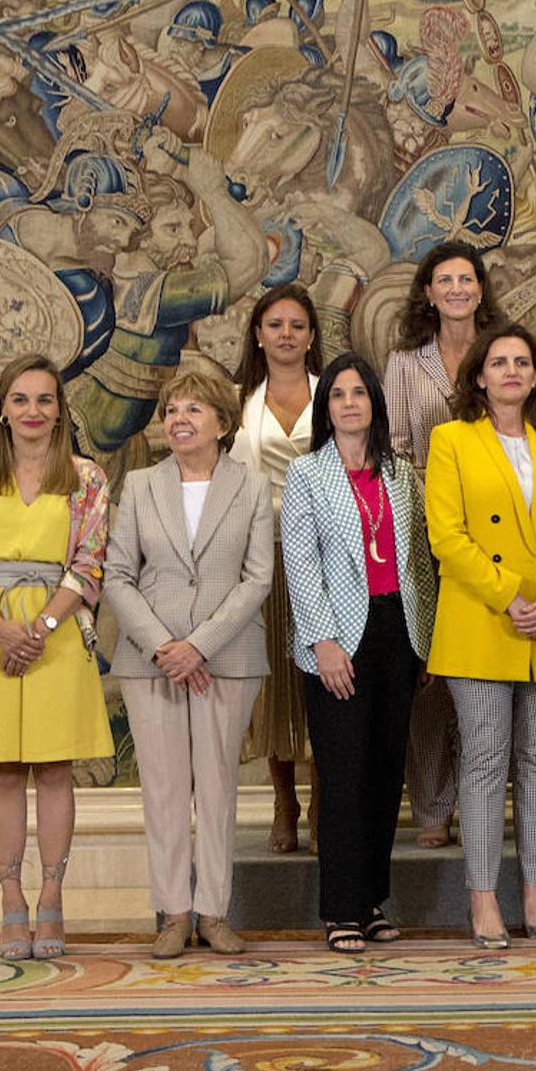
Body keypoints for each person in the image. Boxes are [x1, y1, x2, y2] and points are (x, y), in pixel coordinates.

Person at [0, 354, 112, 961]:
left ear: (60, 410)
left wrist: (38, 628)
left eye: (45, 400)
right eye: (21, 400)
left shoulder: (87, 479)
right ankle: (11, 901)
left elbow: (90, 562)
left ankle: (52, 899)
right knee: (5, 772)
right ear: (4, 411)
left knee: (55, 770)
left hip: (58, 635)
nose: (33, 411)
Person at [425, 323, 536, 949]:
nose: (512, 372)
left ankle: (534, 892)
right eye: (499, 362)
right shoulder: (451, 440)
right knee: (487, 758)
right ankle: (484, 896)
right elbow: (447, 536)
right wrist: (512, 596)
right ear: (478, 375)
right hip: (482, 621)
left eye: (523, 361)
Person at [108, 369, 274, 957]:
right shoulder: (140, 486)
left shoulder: (251, 489)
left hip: (227, 659)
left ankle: (215, 913)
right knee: (164, 789)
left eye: (193, 410)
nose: (178, 419)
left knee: (219, 787)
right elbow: (119, 575)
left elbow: (257, 579)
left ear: (222, 425)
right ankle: (173, 914)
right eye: (172, 409)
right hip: (149, 661)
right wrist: (165, 646)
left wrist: (199, 645)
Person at [280, 354, 436, 953]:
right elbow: (302, 564)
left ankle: (371, 901)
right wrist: (322, 641)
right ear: (327, 409)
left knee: (384, 773)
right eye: (338, 395)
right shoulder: (307, 475)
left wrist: (424, 641)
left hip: (399, 629)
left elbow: (418, 560)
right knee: (342, 776)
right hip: (337, 640)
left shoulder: (400, 475)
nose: (349, 403)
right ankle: (339, 908)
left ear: (375, 402)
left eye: (359, 393)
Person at [384, 241, 502, 850]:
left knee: (489, 669)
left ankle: (482, 796)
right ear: (428, 292)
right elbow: (399, 450)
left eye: (466, 278)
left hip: (503, 533)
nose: (456, 288)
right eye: (444, 279)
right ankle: (433, 805)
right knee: (432, 672)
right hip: (429, 534)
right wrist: (416, 531)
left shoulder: (505, 352)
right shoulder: (406, 364)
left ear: (481, 288)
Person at [228, 283, 324, 855]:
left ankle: (322, 800)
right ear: (258, 336)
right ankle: (283, 801)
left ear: (312, 336)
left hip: (327, 558)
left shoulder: (335, 394)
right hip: (264, 558)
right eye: (275, 325)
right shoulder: (240, 402)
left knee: (324, 681)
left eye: (296, 325)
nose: (286, 335)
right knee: (276, 685)